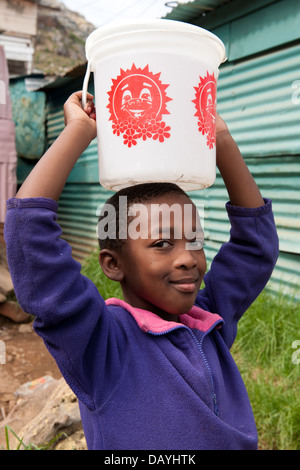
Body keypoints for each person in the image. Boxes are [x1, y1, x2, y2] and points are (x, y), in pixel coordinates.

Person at [4, 91, 279, 450]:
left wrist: (221, 140)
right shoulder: (101, 345)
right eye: (162, 244)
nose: (187, 258)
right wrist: (80, 130)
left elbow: (255, 247)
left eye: (194, 240)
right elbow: (29, 234)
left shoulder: (209, 320)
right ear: (114, 265)